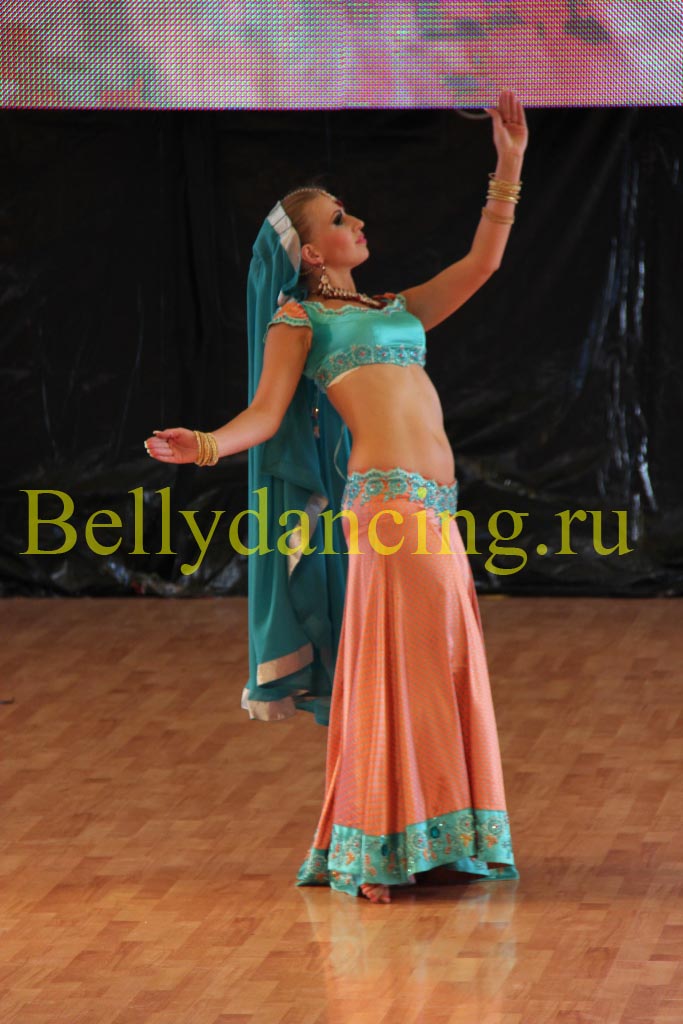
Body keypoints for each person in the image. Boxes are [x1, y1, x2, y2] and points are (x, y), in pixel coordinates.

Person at [144, 89, 528, 904]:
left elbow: (483, 265)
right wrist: (205, 444)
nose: (357, 223)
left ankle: (423, 838)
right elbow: (265, 414)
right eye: (338, 218)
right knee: (399, 666)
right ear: (313, 253)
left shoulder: (394, 310)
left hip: (434, 507)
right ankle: (376, 846)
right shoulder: (301, 321)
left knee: (435, 663)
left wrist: (509, 165)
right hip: (387, 508)